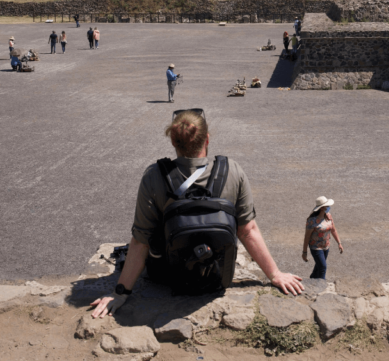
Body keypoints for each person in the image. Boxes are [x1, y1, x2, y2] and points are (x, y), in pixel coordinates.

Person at [89, 110, 303, 318]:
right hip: (217, 274)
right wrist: (275, 274)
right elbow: (248, 231)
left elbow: (141, 242)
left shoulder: (153, 176)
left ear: (173, 141)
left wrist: (119, 293)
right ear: (207, 139)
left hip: (168, 276)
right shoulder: (233, 171)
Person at [302, 196, 343, 279]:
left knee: (319, 266)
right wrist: (304, 252)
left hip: (326, 245)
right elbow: (307, 237)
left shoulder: (329, 216)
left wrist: (339, 243)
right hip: (316, 247)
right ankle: (321, 286)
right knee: (323, 267)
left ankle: (312, 279)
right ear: (322, 208)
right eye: (327, 205)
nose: (328, 207)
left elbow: (333, 230)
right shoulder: (312, 221)